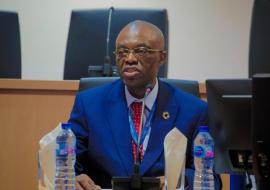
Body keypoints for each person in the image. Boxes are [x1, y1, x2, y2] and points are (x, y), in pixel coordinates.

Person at [69, 20, 221, 190]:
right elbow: (67, 161)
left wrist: (180, 180)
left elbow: (212, 177)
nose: (130, 59)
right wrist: (73, 178)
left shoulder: (194, 110)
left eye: (141, 51)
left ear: (162, 57)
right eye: (122, 52)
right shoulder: (89, 104)